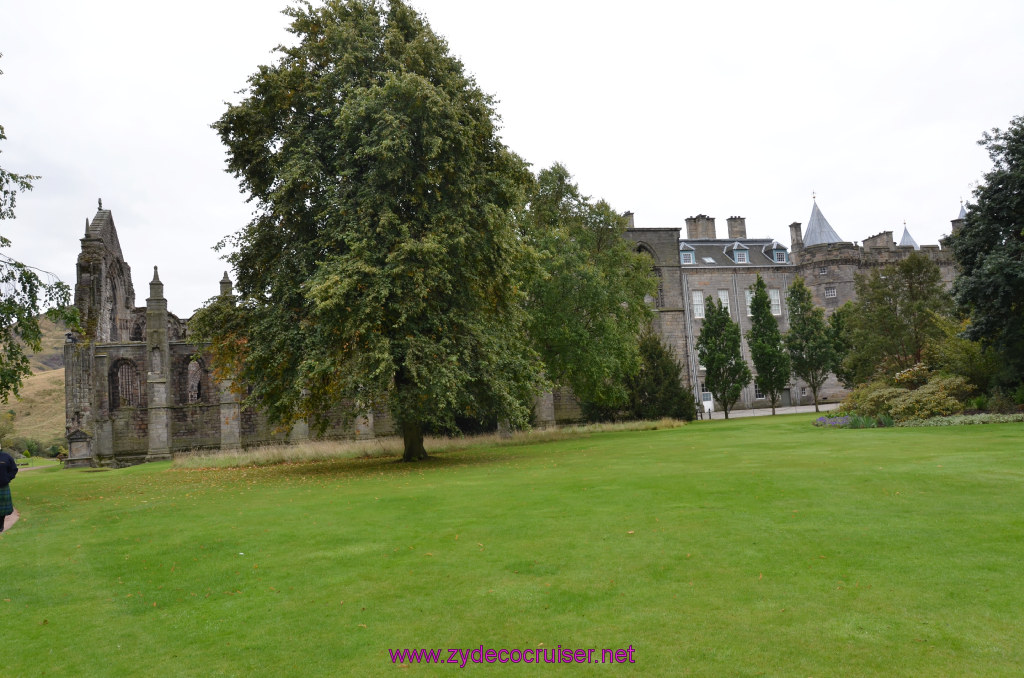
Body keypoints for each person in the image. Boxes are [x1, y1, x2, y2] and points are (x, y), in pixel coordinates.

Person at [0, 444, 17, 533]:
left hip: (3, 486)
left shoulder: (6, 457)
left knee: (2, 509)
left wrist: (8, 478)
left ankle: (1, 524)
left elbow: (14, 469)